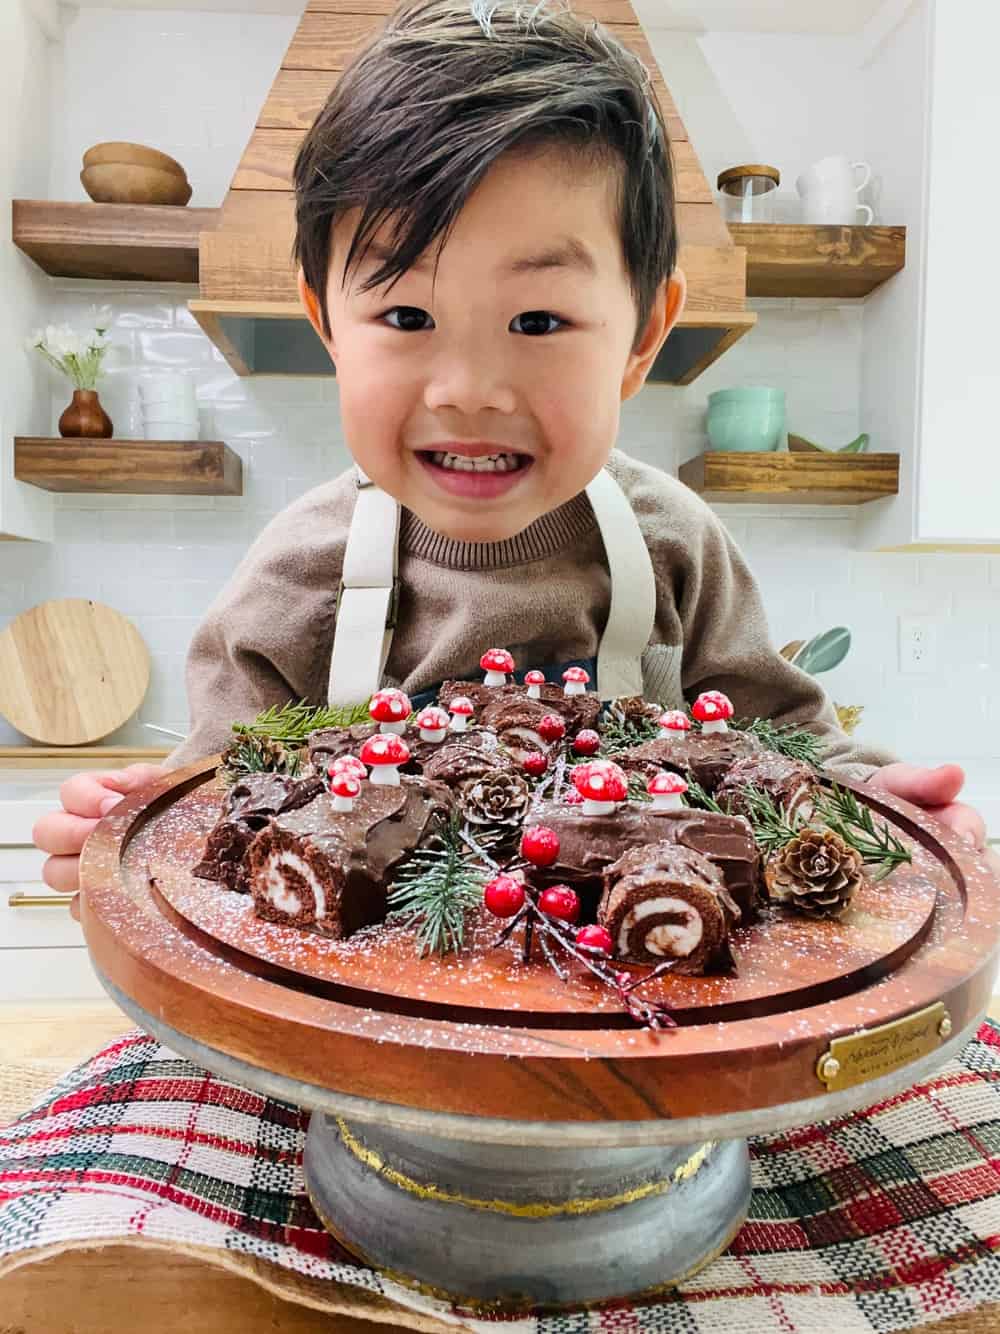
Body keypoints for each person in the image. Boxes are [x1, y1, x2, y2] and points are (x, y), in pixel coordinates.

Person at [34, 0, 985, 902]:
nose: (470, 389)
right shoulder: (298, 569)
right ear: (327, 323)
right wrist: (129, 844)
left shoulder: (674, 545)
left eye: (538, 318)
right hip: (345, 1035)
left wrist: (884, 807)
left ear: (644, 336)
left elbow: (789, 749)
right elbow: (215, 804)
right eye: (407, 314)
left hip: (631, 1021)